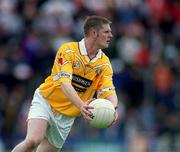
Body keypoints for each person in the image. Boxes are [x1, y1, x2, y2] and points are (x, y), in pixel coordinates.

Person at [11, 15, 119, 152]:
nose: (111, 35)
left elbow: (109, 90)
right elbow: (65, 83)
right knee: (33, 140)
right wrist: (81, 106)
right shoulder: (68, 50)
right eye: (106, 32)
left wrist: (113, 108)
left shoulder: (104, 63)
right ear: (94, 33)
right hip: (47, 101)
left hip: (67, 115)